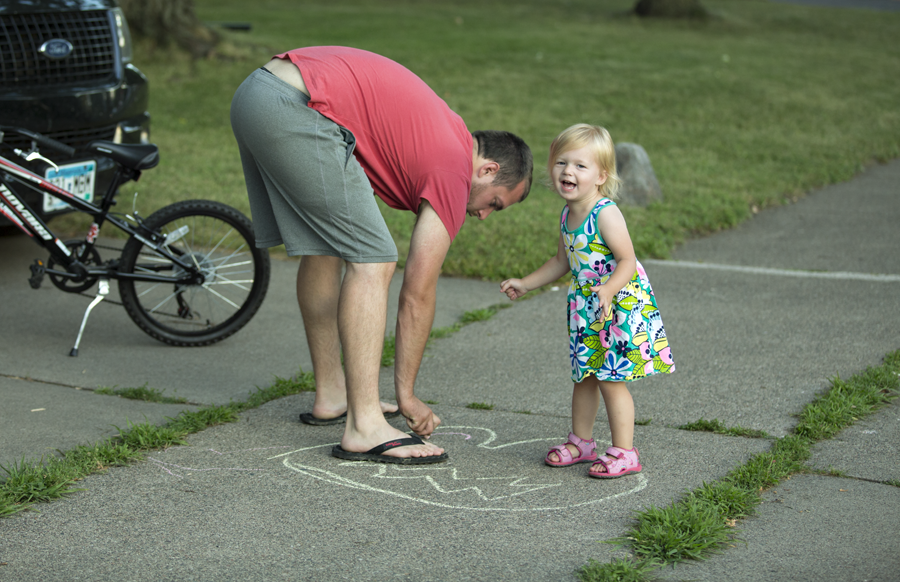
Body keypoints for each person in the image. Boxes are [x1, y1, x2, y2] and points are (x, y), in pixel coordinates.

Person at [230, 47, 533, 464]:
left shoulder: (437, 135)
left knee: (328, 246)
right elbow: (417, 293)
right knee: (374, 259)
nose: (482, 216)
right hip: (293, 104)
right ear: (488, 170)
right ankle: (365, 426)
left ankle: (333, 394)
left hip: (260, 93)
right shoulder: (454, 167)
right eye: (494, 204)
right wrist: (406, 395)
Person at [500, 124, 673, 478]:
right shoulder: (567, 214)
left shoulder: (604, 212)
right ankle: (581, 442)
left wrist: (608, 290)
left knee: (611, 378)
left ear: (601, 176)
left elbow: (627, 259)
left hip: (618, 306)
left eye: (580, 166)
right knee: (585, 377)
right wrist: (527, 284)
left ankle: (625, 452)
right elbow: (562, 261)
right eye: (562, 162)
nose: (568, 172)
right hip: (587, 307)